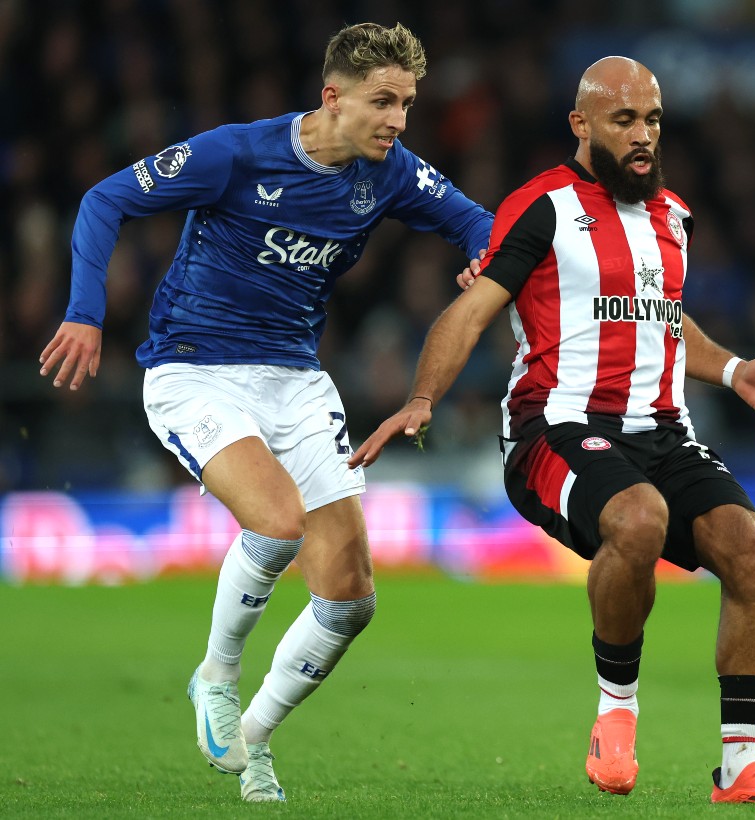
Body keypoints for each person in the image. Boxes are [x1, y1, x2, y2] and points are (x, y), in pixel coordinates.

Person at [38, 22, 492, 803]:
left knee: (350, 599)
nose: (398, 120)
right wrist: (84, 311)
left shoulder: (390, 173)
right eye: (383, 102)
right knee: (278, 521)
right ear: (332, 98)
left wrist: (486, 254)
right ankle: (216, 676)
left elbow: (481, 222)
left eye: (408, 103)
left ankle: (253, 739)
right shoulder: (236, 155)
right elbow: (103, 199)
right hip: (195, 372)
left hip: (296, 381)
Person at [350, 56, 755, 806]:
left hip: (663, 431)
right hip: (556, 427)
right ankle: (617, 713)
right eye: (624, 120)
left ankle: (741, 768)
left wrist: (735, 372)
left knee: (753, 553)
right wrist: (422, 397)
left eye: (654, 120)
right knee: (638, 519)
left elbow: (661, 323)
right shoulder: (542, 208)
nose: (643, 136)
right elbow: (471, 311)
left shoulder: (674, 215)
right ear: (582, 124)